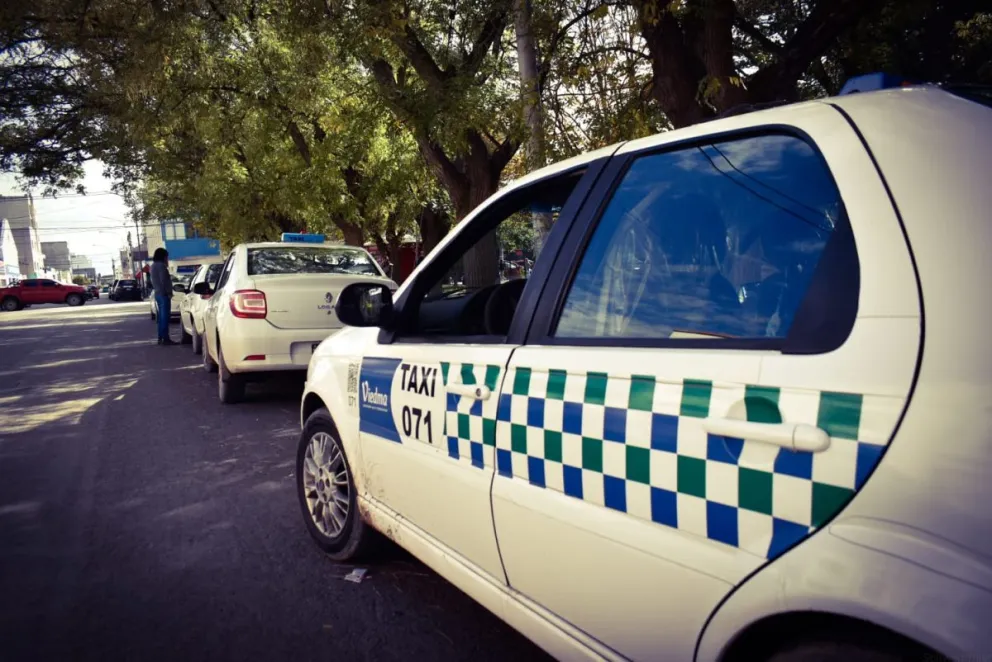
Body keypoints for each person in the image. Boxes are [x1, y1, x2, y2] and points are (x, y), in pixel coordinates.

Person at [150, 248, 176, 345]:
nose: (167, 259)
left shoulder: (153, 266)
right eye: (166, 256)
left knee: (161, 317)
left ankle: (161, 337)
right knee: (165, 317)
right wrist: (168, 292)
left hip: (157, 293)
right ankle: (165, 338)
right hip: (163, 294)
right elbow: (164, 280)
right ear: (163, 256)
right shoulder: (161, 266)